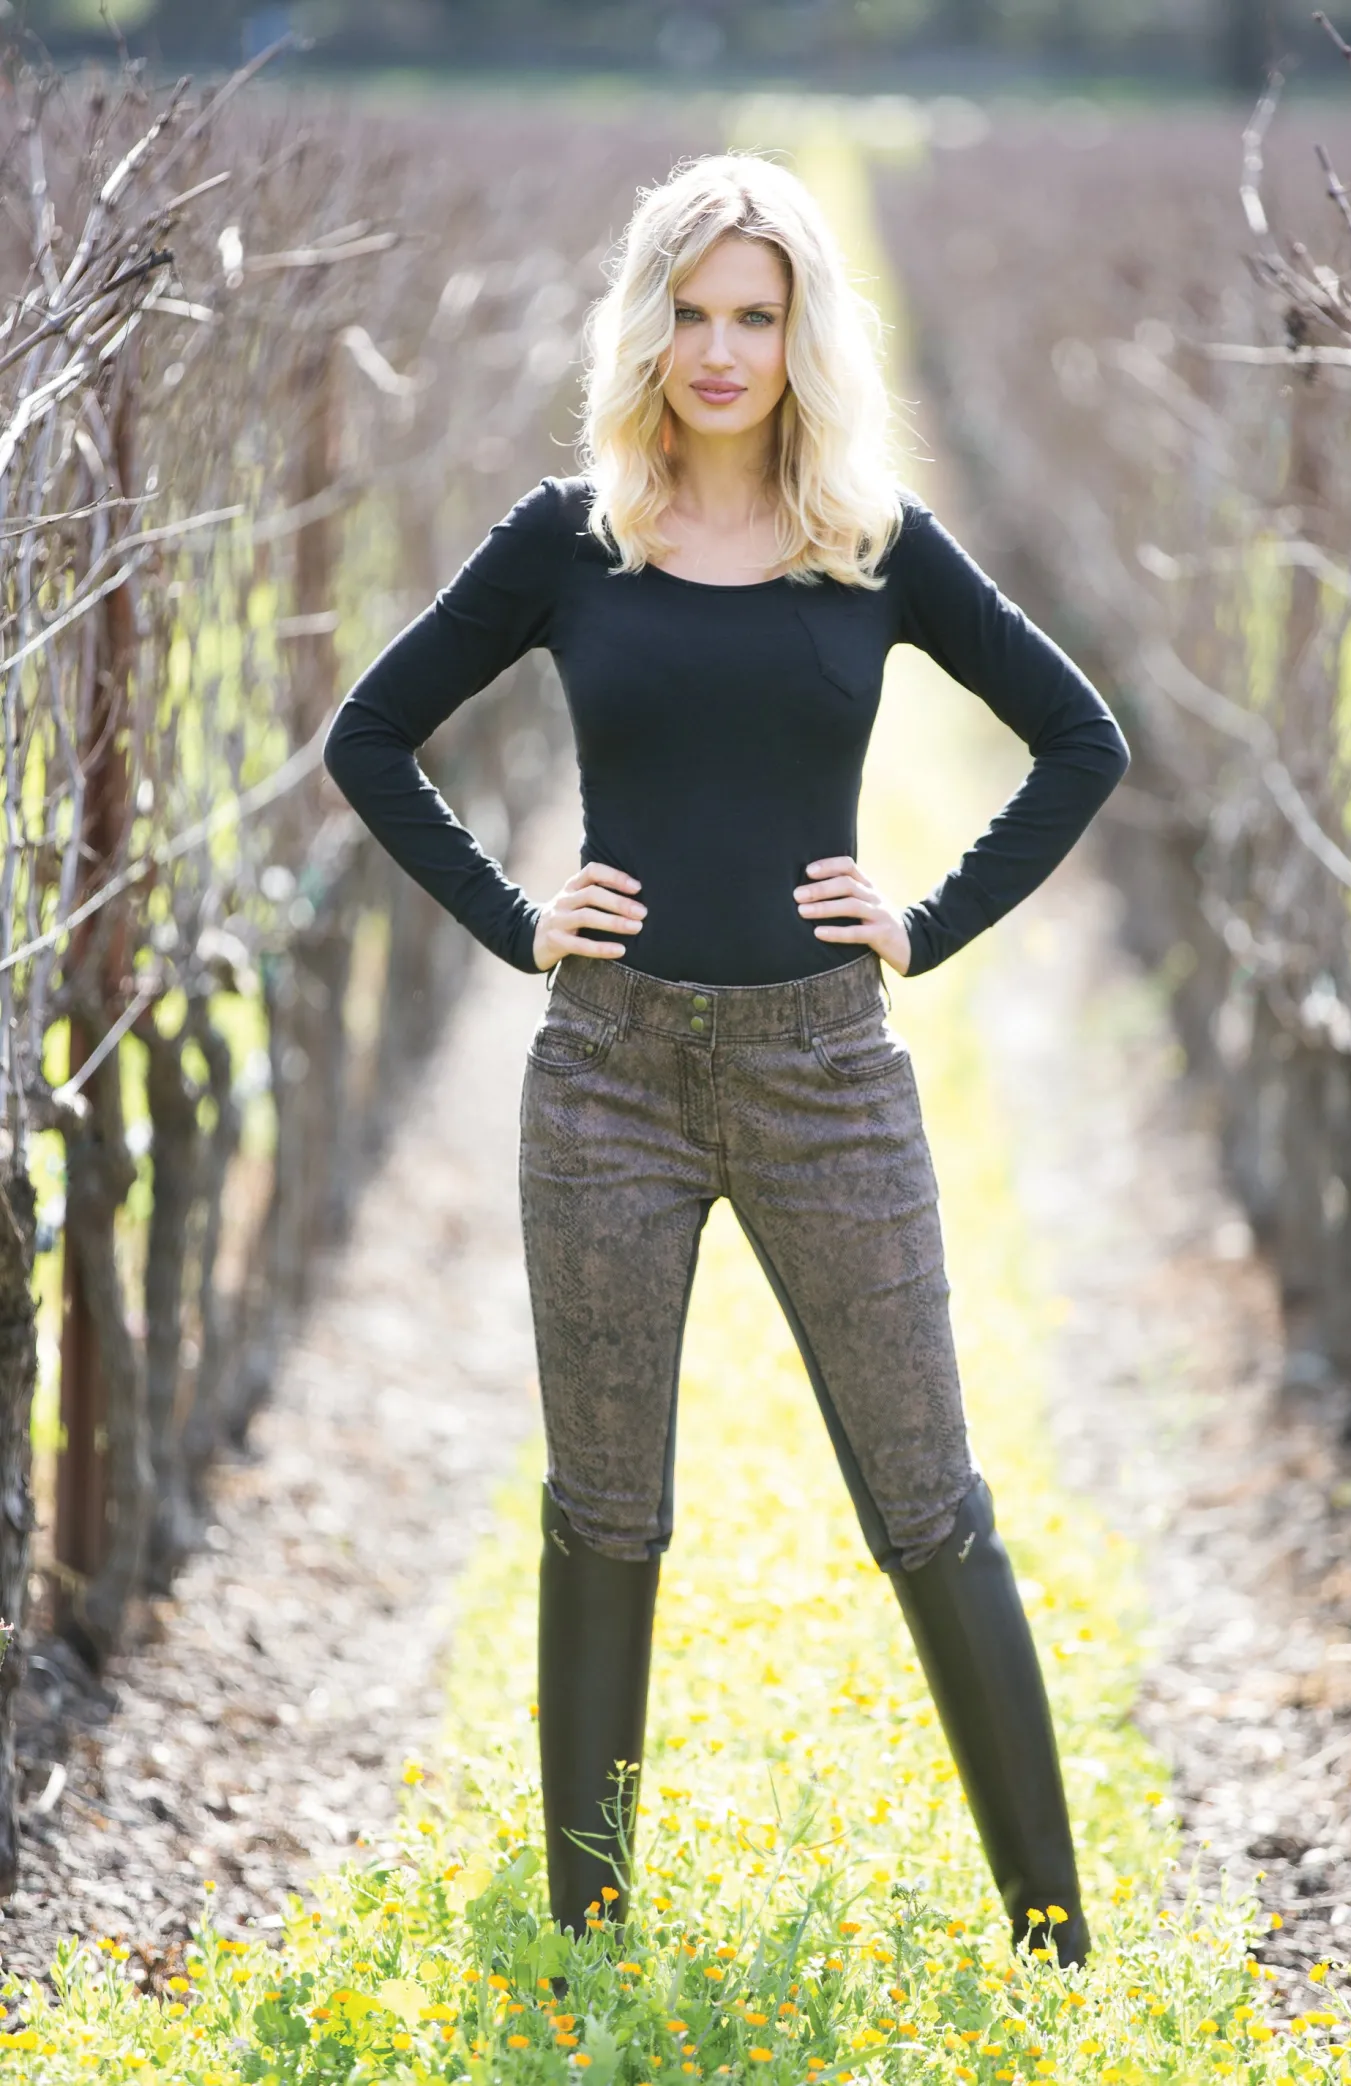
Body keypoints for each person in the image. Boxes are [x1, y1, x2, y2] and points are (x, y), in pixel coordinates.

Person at [322, 150, 1129, 1970]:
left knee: (929, 1500)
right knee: (604, 1510)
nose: (718, 350)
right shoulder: (571, 539)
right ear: (647, 323)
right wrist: (514, 915)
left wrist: (924, 918)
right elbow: (372, 735)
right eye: (688, 312)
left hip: (824, 1074)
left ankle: (1058, 1943)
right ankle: (591, 1946)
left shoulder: (872, 543)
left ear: (801, 333)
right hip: (604, 1076)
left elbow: (1084, 738)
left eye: (754, 316)